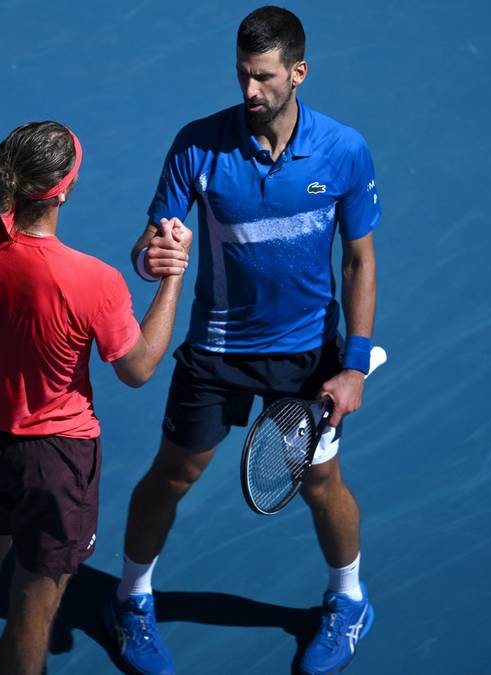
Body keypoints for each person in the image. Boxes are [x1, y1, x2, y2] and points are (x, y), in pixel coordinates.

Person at [104, 7, 381, 675]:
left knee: (320, 481)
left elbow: (359, 262)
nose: (249, 91)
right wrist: (154, 257)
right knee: (174, 473)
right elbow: (150, 244)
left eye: (262, 78)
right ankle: (129, 597)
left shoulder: (343, 150)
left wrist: (354, 366)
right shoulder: (198, 145)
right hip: (217, 349)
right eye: (241, 76)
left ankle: (348, 601)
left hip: (305, 356)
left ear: (298, 72)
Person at [0, 121, 192, 675]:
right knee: (37, 590)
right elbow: (139, 369)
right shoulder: (94, 281)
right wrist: (173, 275)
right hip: (55, 459)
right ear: (63, 190)